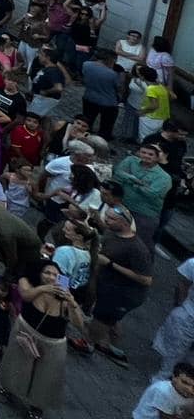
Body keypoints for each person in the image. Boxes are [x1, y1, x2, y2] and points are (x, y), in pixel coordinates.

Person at [0, 261, 87, 419]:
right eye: (47, 273)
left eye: (55, 274)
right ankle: (8, 389)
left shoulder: (64, 295)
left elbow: (79, 324)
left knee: (46, 377)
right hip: (26, 331)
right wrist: (44, 288)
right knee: (16, 364)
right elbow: (26, 295)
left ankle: (37, 407)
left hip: (53, 342)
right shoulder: (27, 282)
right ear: (39, 273)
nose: (51, 277)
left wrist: (72, 302)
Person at [82, 204, 155, 364]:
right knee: (110, 319)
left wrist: (110, 264)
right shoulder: (112, 232)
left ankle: (88, 343)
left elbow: (146, 279)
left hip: (123, 294)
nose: (106, 220)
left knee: (101, 318)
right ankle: (107, 344)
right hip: (109, 287)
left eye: (111, 218)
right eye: (106, 216)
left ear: (124, 223)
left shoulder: (137, 249)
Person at [117, 141, 175, 250]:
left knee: (139, 244)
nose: (146, 156)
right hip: (122, 205)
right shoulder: (130, 161)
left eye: (150, 154)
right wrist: (135, 180)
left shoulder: (164, 177)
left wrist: (129, 180)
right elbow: (118, 172)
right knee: (116, 236)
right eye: (143, 152)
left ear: (158, 158)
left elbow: (152, 193)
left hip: (144, 214)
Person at [154, 260, 194, 381]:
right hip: (188, 316)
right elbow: (182, 285)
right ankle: (160, 386)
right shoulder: (193, 263)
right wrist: (181, 306)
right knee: (173, 357)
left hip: (187, 314)